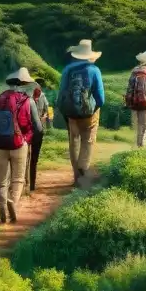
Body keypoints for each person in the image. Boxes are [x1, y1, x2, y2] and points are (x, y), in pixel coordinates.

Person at [0, 68, 42, 223]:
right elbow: (36, 127)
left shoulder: (1, 98)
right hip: (18, 143)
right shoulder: (27, 100)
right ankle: (12, 202)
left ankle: (1, 206)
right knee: (18, 179)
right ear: (23, 83)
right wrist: (28, 138)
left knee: (1, 180)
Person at [57, 39, 105, 187]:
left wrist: (67, 112)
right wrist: (94, 110)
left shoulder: (67, 70)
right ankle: (83, 171)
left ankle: (76, 176)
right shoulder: (94, 70)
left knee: (74, 142)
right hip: (90, 114)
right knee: (88, 141)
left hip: (71, 114)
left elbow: (61, 96)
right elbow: (101, 99)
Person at [29, 84, 50, 191]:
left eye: (38, 94)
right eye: (35, 94)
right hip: (27, 131)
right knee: (26, 158)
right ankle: (25, 182)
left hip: (39, 131)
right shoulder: (27, 99)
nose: (36, 97)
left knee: (34, 159)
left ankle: (32, 184)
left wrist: (45, 116)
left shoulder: (43, 97)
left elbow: (48, 110)